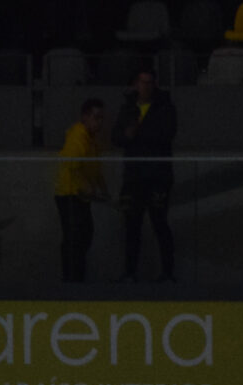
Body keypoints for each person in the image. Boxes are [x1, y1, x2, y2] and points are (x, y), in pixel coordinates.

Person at [113, 66, 179, 284]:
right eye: (142, 82)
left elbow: (166, 134)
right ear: (135, 84)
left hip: (158, 176)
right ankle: (129, 273)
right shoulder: (127, 108)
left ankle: (168, 273)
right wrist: (127, 135)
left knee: (160, 223)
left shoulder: (165, 107)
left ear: (155, 84)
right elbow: (116, 137)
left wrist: (136, 134)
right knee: (132, 225)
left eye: (150, 82)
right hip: (134, 177)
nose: (146, 86)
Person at [55, 98, 107, 284]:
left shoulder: (92, 140)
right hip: (70, 194)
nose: (99, 122)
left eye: (101, 118)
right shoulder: (78, 136)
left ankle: (76, 277)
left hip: (81, 196)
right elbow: (71, 165)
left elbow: (95, 169)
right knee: (74, 237)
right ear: (85, 117)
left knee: (84, 235)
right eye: (95, 117)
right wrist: (87, 188)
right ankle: (70, 279)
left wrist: (103, 190)